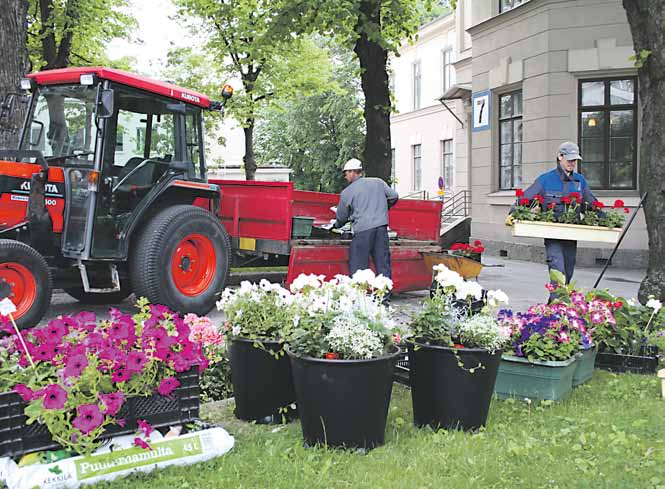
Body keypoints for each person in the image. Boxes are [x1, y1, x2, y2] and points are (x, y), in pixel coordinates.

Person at [505, 141, 600, 289]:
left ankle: (556, 307)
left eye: (574, 160)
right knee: (557, 271)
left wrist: (609, 221)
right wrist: (513, 214)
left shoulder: (580, 181)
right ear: (560, 157)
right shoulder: (545, 180)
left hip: (571, 235)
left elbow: (592, 205)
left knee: (568, 273)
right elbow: (525, 199)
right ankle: (557, 306)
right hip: (553, 237)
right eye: (569, 159)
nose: (572, 163)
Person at [334, 158, 399, 282]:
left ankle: (358, 297)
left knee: (358, 267)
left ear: (353, 172)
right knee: (383, 265)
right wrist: (384, 207)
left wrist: (336, 225)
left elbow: (341, 217)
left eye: (346, 173)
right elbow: (394, 196)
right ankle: (383, 299)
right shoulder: (378, 182)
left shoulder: (347, 192)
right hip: (381, 229)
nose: (345, 176)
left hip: (362, 232)